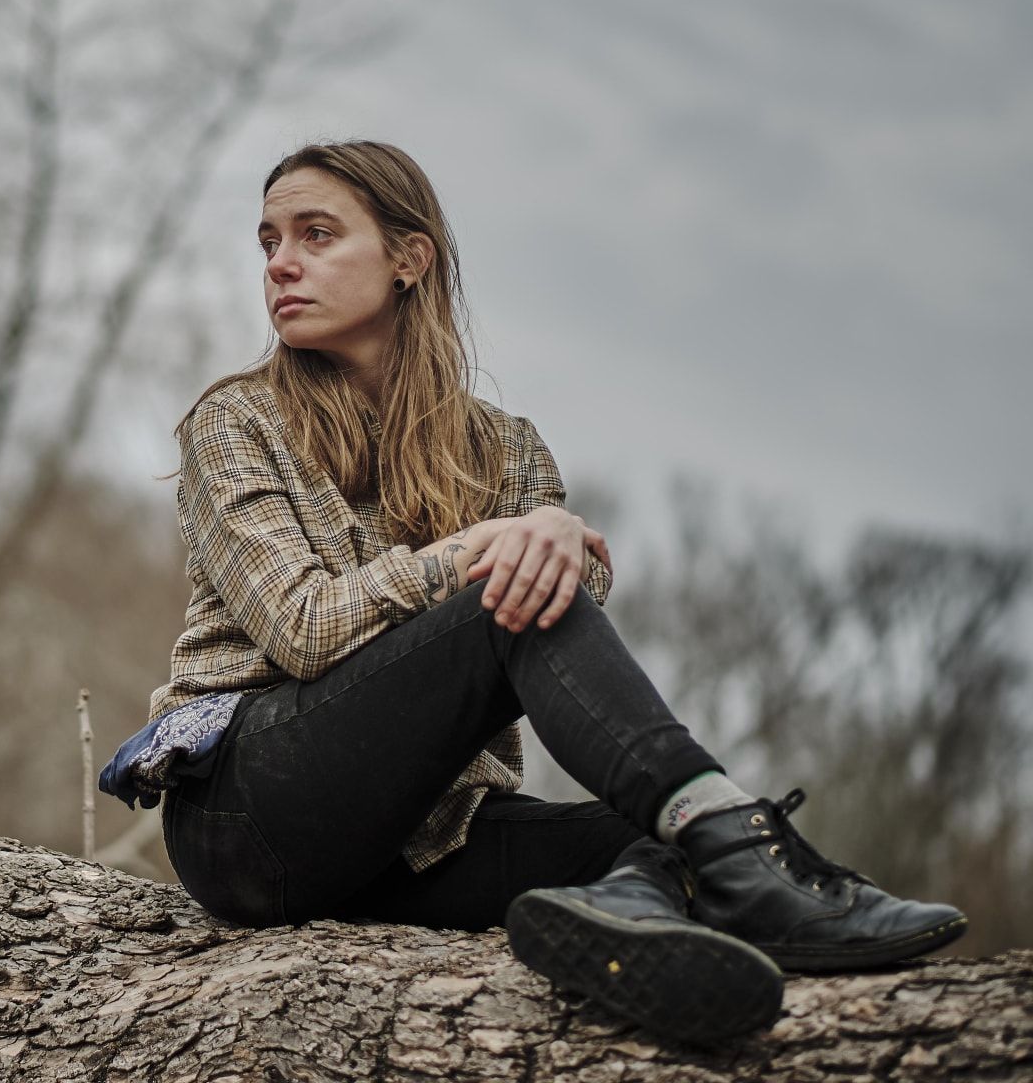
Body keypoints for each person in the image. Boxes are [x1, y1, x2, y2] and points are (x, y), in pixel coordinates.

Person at [99, 140, 966, 1045]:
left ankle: (642, 911)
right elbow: (305, 628)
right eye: (270, 240)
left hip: (423, 840)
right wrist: (486, 546)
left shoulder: (505, 449)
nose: (281, 262)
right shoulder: (236, 421)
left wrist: (551, 538)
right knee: (499, 602)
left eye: (317, 234)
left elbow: (570, 598)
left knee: (649, 843)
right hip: (251, 814)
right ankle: (749, 849)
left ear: (409, 258)